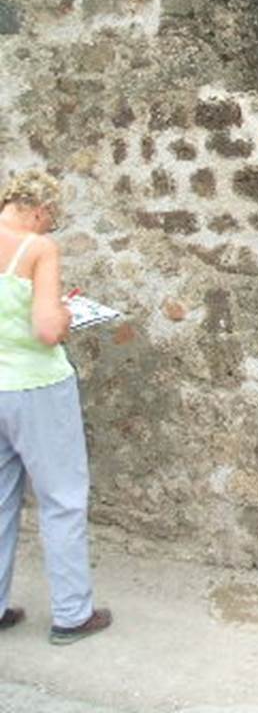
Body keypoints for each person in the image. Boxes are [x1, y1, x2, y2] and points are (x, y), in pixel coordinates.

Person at [0, 169, 111, 645]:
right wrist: (64, 312)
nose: (51, 228)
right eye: (52, 219)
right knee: (62, 499)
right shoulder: (37, 249)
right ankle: (71, 614)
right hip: (36, 386)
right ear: (39, 210)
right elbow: (47, 329)